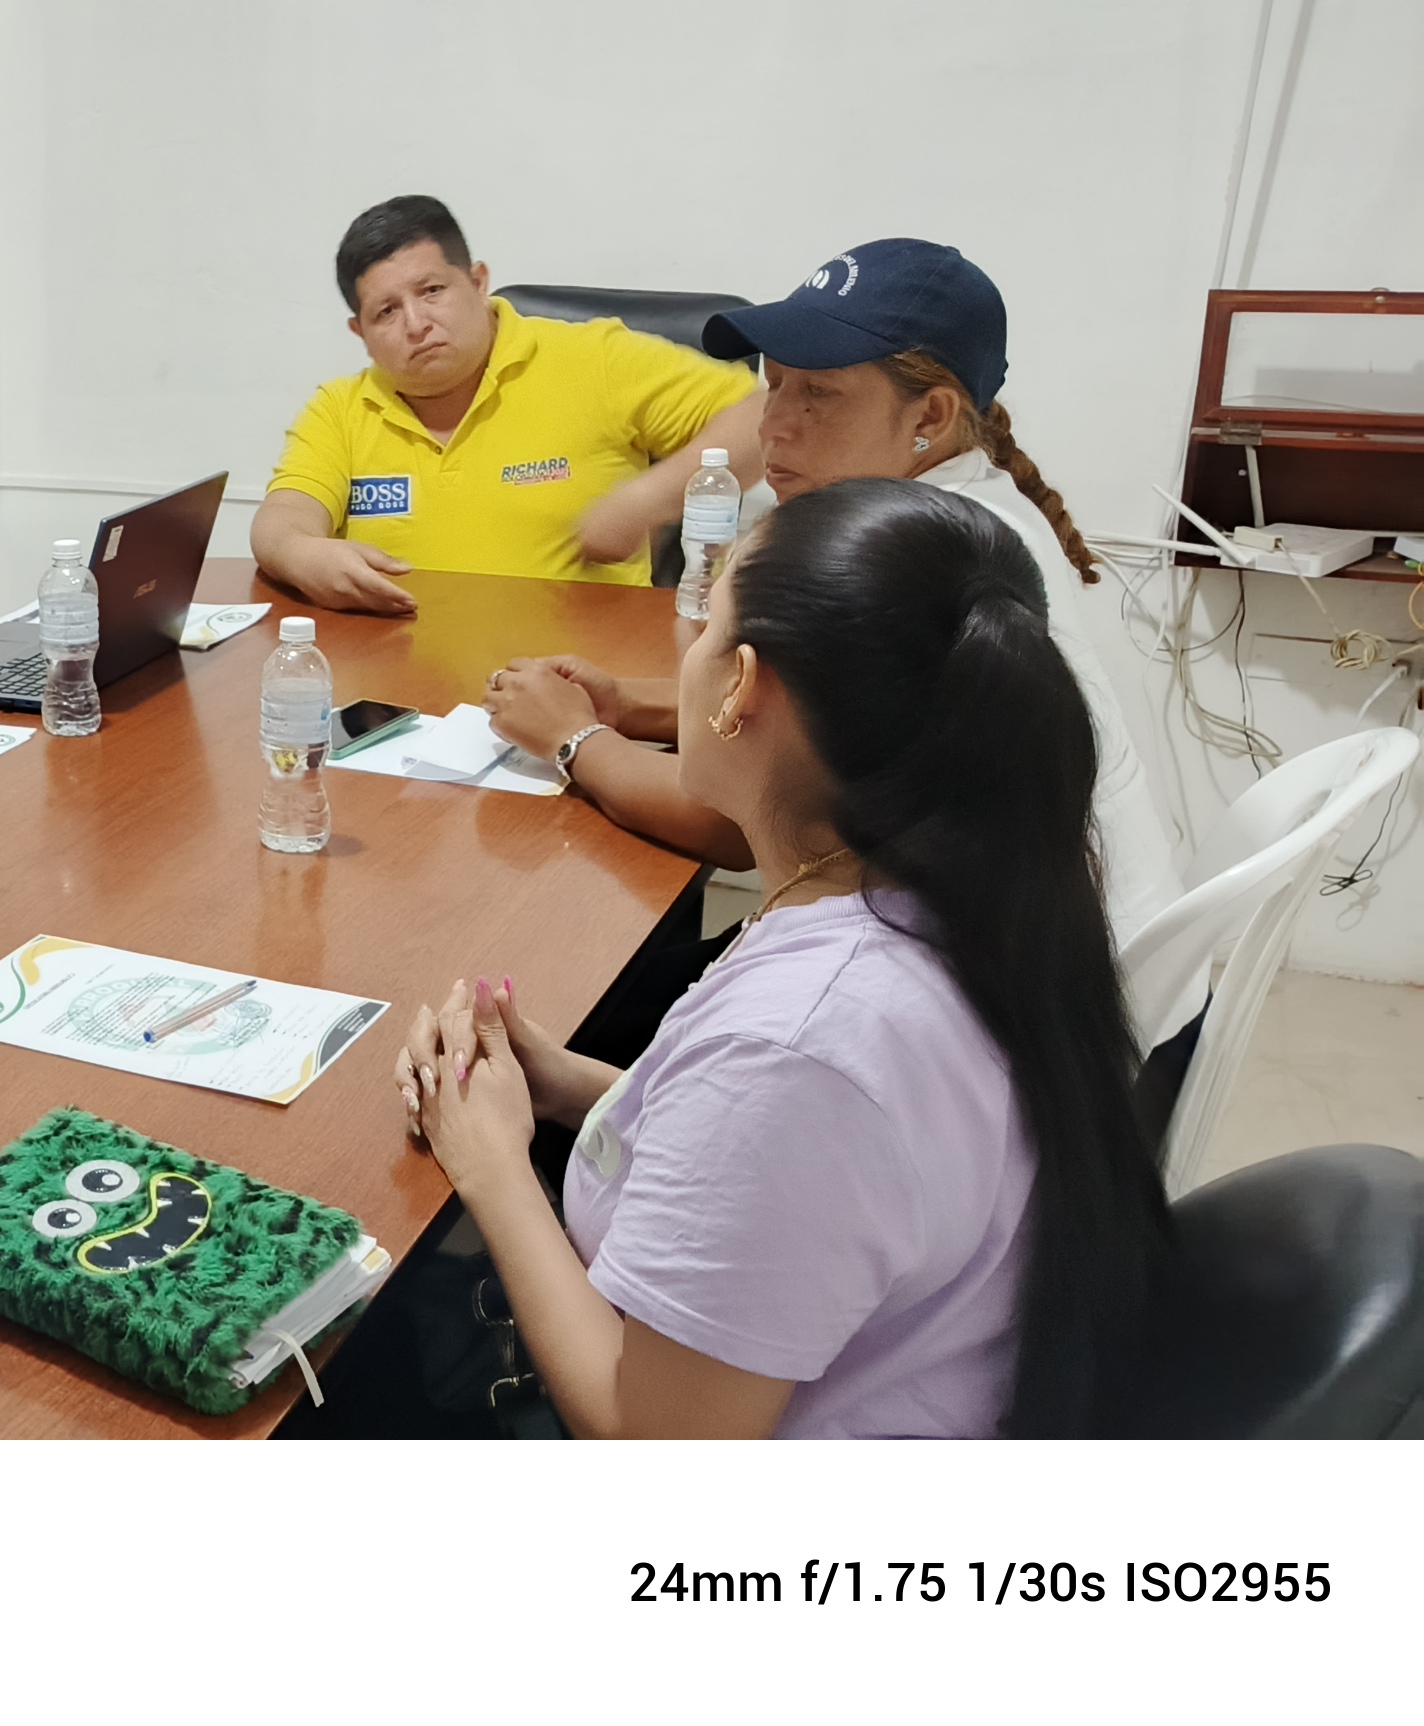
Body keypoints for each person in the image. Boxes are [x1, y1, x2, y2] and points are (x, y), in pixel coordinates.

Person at [399, 480, 1171, 1438]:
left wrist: (492, 1164)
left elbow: (657, 1439)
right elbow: (810, 1174)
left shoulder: (800, 1046)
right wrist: (572, 1087)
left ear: (741, 687)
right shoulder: (961, 895)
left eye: (708, 625)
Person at [481, 239, 1182, 959]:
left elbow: (735, 820)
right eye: (775, 384)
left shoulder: (894, 562)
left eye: (819, 393)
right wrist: (628, 703)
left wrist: (572, 740)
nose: (774, 424)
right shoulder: (981, 507)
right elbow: (808, 716)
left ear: (930, 418)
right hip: (1094, 957)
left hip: (1035, 995)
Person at [250, 195, 767, 617]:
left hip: (578, 680)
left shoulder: (593, 359)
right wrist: (302, 553)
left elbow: (767, 421)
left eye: (432, 291)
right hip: (396, 683)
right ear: (359, 332)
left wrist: (644, 501)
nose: (415, 324)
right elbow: (283, 518)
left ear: (477, 282)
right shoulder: (341, 409)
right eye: (386, 311)